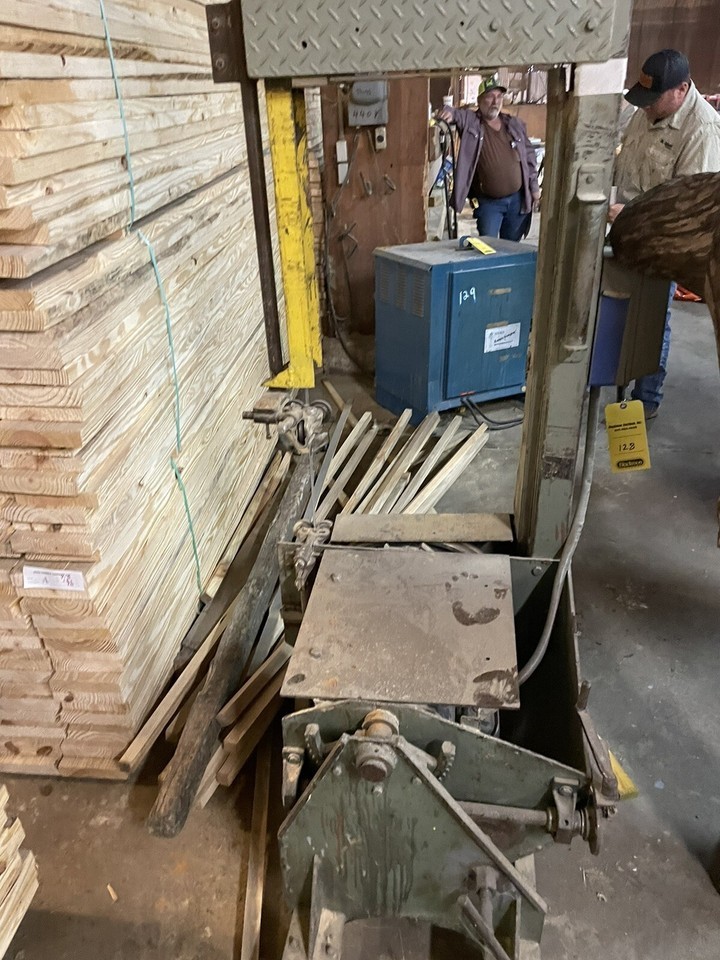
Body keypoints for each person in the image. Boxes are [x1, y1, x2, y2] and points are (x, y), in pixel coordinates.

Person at [610, 49, 720, 418]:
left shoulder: (702, 130)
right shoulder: (646, 112)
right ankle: (619, 386)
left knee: (654, 318)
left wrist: (632, 214)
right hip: (626, 231)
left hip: (664, 243)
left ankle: (646, 399)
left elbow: (688, 213)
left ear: (681, 90)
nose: (645, 106)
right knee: (622, 311)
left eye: (653, 98)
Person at [438, 75, 540, 241]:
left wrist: (534, 188)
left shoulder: (513, 124)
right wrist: (448, 111)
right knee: (488, 247)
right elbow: (456, 114)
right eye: (490, 97)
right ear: (479, 100)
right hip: (489, 204)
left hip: (517, 200)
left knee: (512, 248)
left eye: (499, 97)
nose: (495, 102)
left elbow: (529, 156)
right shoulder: (472, 122)